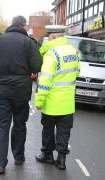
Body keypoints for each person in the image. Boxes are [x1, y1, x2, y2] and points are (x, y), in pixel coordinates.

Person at [0, 15, 42, 174]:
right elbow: (37, 66)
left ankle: (0, 164)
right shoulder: (29, 43)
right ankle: (19, 157)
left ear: (11, 24)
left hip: (2, 90)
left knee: (2, 126)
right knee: (20, 124)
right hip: (21, 91)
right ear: (24, 26)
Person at [34, 25, 80, 170]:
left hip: (51, 103)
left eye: (48, 37)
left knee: (48, 130)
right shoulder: (74, 51)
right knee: (64, 132)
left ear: (52, 37)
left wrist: (39, 100)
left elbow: (45, 80)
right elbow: (77, 72)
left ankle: (47, 155)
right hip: (67, 103)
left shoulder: (51, 54)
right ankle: (61, 160)